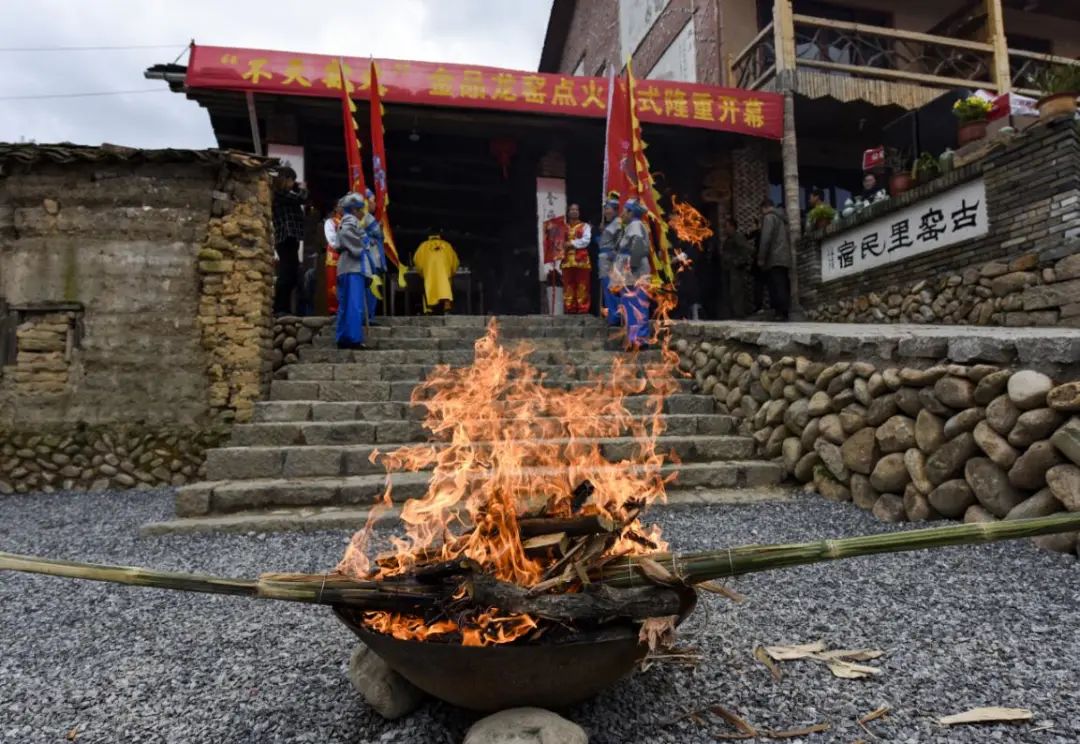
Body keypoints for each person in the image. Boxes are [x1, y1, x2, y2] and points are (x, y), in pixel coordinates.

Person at [335, 192, 381, 349]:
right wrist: (362, 246)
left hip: (348, 267)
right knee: (354, 304)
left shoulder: (347, 220)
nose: (363, 212)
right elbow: (346, 235)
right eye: (361, 209)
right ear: (354, 209)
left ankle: (343, 337)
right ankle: (353, 338)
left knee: (346, 304)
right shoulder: (350, 220)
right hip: (353, 268)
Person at [615, 198, 653, 350]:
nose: (622, 214)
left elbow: (637, 246)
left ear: (631, 212)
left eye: (624, 211)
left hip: (635, 272)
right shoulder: (633, 225)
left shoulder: (636, 225)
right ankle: (634, 339)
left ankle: (640, 339)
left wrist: (632, 266)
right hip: (631, 271)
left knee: (637, 305)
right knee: (631, 306)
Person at [271, 166, 308, 315]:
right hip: (285, 237)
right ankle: (280, 308)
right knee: (286, 273)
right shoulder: (279, 194)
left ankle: (285, 308)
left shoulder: (285, 195)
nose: (293, 183)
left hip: (291, 237)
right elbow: (302, 198)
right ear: (285, 180)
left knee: (292, 273)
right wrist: (302, 188)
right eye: (292, 180)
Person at [757, 198, 792, 321]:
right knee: (783, 284)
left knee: (776, 286)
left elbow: (766, 238)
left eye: (761, 210)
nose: (761, 213)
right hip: (784, 257)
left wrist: (761, 257)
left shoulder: (769, 217)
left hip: (774, 257)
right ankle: (785, 312)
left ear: (765, 208)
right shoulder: (782, 219)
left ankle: (779, 313)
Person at [413, 233, 460, 314]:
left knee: (429, 286)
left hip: (429, 273)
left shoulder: (423, 246)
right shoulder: (447, 245)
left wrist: (422, 272)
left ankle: (430, 307)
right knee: (446, 284)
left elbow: (417, 261)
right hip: (444, 272)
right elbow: (455, 261)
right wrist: (452, 272)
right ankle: (446, 303)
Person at [596, 193, 623, 326]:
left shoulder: (618, 224)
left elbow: (620, 243)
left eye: (608, 208)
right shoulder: (611, 224)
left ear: (615, 210)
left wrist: (614, 256)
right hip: (604, 258)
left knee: (611, 287)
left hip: (610, 260)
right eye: (605, 209)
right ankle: (614, 315)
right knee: (608, 288)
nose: (606, 211)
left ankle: (616, 316)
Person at [561, 204, 592, 314]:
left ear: (579, 212)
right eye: (572, 209)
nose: (574, 211)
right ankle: (570, 309)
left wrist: (571, 243)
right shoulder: (563, 227)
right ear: (568, 212)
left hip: (581, 261)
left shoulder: (585, 226)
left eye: (576, 210)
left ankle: (582, 309)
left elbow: (586, 241)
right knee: (568, 286)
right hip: (566, 261)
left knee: (582, 285)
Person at [721, 216, 754, 318]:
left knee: (737, 292)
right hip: (729, 270)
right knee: (731, 293)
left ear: (732, 227)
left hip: (737, 271)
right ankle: (733, 314)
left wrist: (737, 262)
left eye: (727, 226)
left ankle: (739, 314)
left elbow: (748, 251)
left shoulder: (738, 238)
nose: (725, 229)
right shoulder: (728, 240)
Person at [324, 202, 343, 314]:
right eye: (340, 205)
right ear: (335, 208)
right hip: (334, 257)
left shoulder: (349, 221)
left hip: (346, 257)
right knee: (333, 284)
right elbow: (332, 240)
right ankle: (334, 310)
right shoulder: (330, 222)